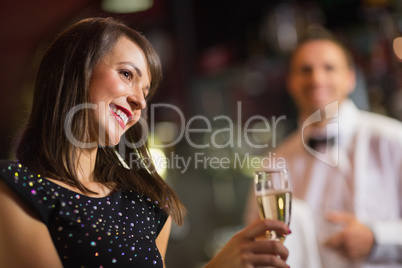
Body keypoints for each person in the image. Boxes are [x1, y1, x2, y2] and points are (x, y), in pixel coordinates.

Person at [0, 17, 290, 268]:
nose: (139, 101)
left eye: (146, 92)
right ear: (76, 70)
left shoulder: (146, 203)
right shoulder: (17, 191)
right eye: (127, 75)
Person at [245, 28, 402, 268]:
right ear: (290, 82)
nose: (317, 79)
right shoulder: (273, 164)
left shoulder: (392, 140)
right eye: (305, 70)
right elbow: (256, 247)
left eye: (329, 68)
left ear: (351, 78)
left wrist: (378, 238)